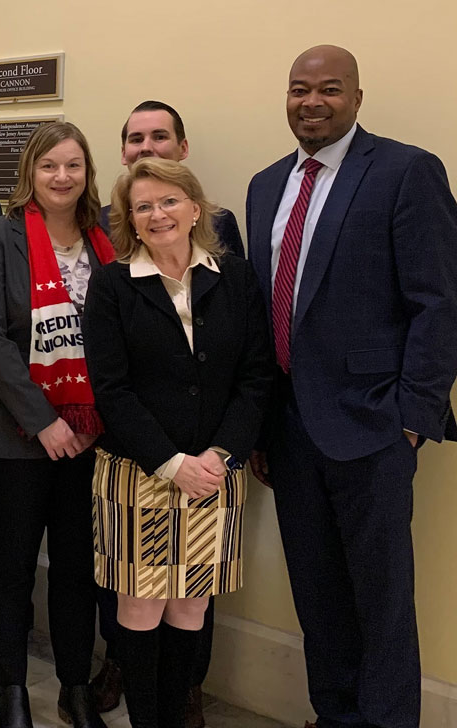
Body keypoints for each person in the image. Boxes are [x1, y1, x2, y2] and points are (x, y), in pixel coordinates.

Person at [246, 45, 457, 728]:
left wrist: (413, 416)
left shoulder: (405, 170)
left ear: (357, 97)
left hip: (373, 425)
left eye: (329, 89)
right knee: (317, 594)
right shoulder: (265, 185)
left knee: (382, 599)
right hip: (288, 428)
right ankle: (333, 715)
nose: (311, 102)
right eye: (298, 89)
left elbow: (439, 302)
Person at [83, 158, 274, 728]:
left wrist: (220, 455)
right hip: (138, 473)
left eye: (169, 201)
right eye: (143, 207)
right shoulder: (114, 285)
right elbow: (111, 391)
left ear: (195, 208)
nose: (158, 214)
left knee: (191, 607)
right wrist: (171, 463)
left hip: (216, 473)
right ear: (131, 222)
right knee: (139, 609)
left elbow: (256, 377)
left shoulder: (236, 278)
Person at [0, 121, 112, 728]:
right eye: (49, 165)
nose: (61, 177)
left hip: (93, 435)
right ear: (29, 172)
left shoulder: (109, 241)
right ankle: (12, 690)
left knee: (79, 571)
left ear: (87, 173)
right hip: (12, 434)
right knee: (11, 568)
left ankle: (76, 688)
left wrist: (91, 421)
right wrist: (46, 421)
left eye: (73, 165)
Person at [98, 101, 244, 260]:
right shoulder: (99, 224)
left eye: (159, 137)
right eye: (136, 139)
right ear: (123, 153)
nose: (146, 147)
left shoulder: (219, 223)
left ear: (183, 148)